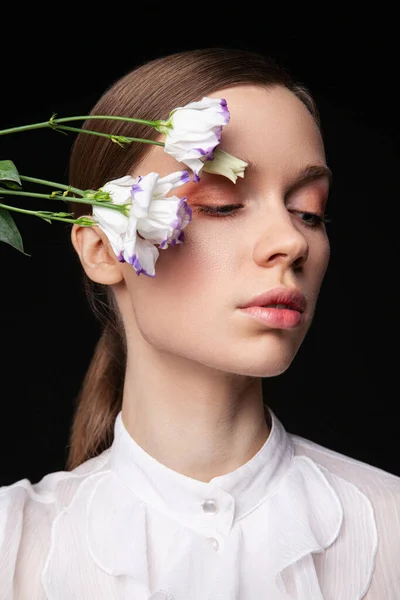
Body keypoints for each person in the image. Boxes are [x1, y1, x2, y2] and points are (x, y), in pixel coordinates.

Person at [0, 47, 399, 600]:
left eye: (309, 210)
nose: (290, 241)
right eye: (220, 204)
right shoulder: (12, 546)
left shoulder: (390, 529)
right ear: (102, 248)